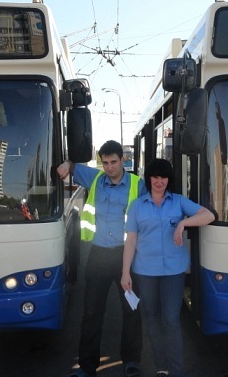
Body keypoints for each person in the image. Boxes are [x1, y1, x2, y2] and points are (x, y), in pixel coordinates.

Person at [58, 140, 146, 377]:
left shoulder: (138, 184)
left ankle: (131, 361)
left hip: (126, 258)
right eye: (105, 162)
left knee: (131, 309)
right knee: (91, 313)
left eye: (113, 162)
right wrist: (66, 164)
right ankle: (87, 366)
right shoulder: (95, 179)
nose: (109, 167)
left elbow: (150, 213)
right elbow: (74, 166)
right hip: (98, 256)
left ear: (123, 160)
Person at [120, 158, 215, 377]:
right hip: (145, 272)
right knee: (152, 318)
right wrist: (125, 272)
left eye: (163, 177)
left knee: (171, 320)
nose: (159, 181)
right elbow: (131, 240)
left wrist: (183, 223)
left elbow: (208, 215)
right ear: (149, 178)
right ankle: (161, 368)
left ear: (169, 179)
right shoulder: (137, 205)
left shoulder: (178, 202)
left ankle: (177, 370)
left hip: (173, 271)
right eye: (155, 176)